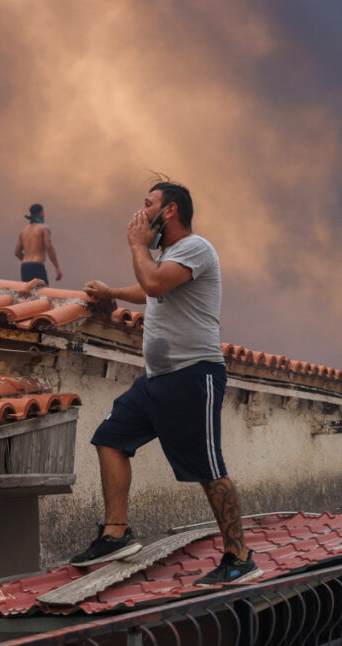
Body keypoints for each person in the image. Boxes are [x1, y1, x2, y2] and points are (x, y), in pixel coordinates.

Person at [75, 180, 262, 586]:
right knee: (110, 438)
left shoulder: (196, 247)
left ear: (170, 211)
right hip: (156, 381)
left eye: (148, 205)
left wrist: (137, 245)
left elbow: (156, 283)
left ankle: (240, 557)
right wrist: (112, 293)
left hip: (194, 376)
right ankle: (116, 534)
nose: (140, 214)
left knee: (209, 470)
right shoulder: (169, 257)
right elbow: (150, 289)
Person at [15, 204, 62, 284]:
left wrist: (28, 261)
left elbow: (17, 252)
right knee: (43, 294)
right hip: (37, 266)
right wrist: (57, 268)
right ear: (41, 213)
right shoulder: (43, 228)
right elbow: (49, 247)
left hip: (25, 267)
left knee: (29, 294)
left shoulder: (23, 231)